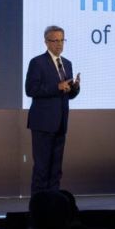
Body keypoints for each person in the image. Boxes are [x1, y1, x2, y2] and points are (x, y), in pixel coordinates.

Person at [25, 26, 80, 194]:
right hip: (43, 124)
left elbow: (67, 95)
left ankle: (54, 203)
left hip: (61, 123)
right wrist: (57, 86)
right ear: (46, 42)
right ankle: (38, 206)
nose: (59, 44)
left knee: (56, 169)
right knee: (42, 168)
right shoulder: (37, 62)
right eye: (55, 40)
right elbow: (31, 90)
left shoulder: (67, 64)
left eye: (62, 40)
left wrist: (75, 88)